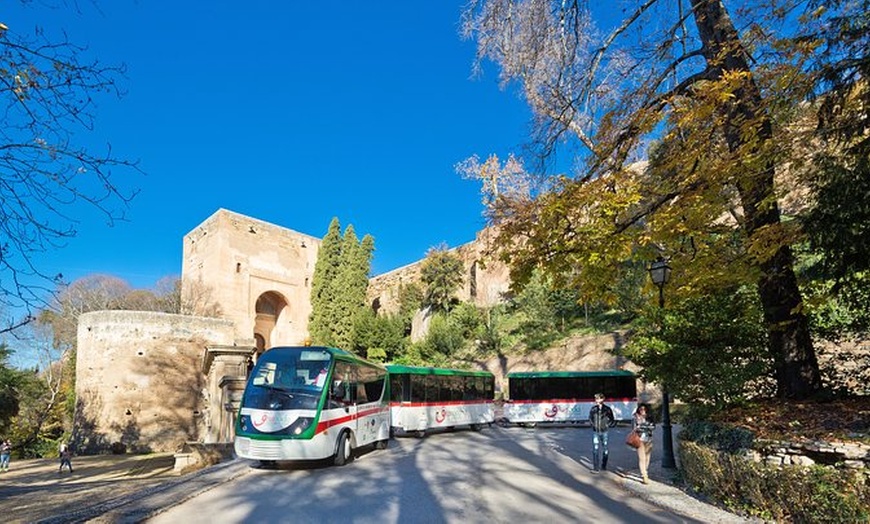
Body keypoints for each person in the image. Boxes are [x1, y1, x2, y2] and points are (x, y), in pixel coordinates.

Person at [588, 393, 615, 472]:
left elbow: (612, 419)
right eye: (595, 399)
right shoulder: (593, 409)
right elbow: (590, 418)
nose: (596, 400)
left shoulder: (607, 409)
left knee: (605, 449)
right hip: (595, 431)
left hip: (604, 431)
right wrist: (593, 425)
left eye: (598, 398)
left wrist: (607, 425)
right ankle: (596, 468)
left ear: (602, 399)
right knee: (595, 449)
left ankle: (604, 465)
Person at [632, 404, 655, 484]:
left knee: (648, 458)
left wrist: (641, 426)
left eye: (644, 409)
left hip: (648, 439)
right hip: (639, 439)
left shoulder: (650, 417)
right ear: (638, 409)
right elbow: (634, 429)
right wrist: (646, 427)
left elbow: (653, 427)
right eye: (641, 409)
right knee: (642, 458)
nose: (642, 410)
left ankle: (645, 470)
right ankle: (644, 475)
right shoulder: (635, 417)